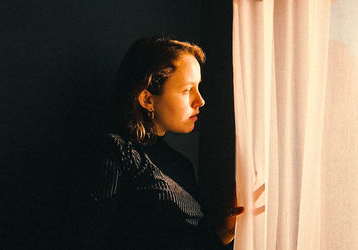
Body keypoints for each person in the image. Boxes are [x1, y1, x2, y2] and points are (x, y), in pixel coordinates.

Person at [85, 36, 243, 249]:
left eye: (198, 87)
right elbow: (89, 237)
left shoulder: (181, 166)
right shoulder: (115, 151)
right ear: (147, 99)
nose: (200, 100)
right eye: (187, 90)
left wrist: (225, 229)